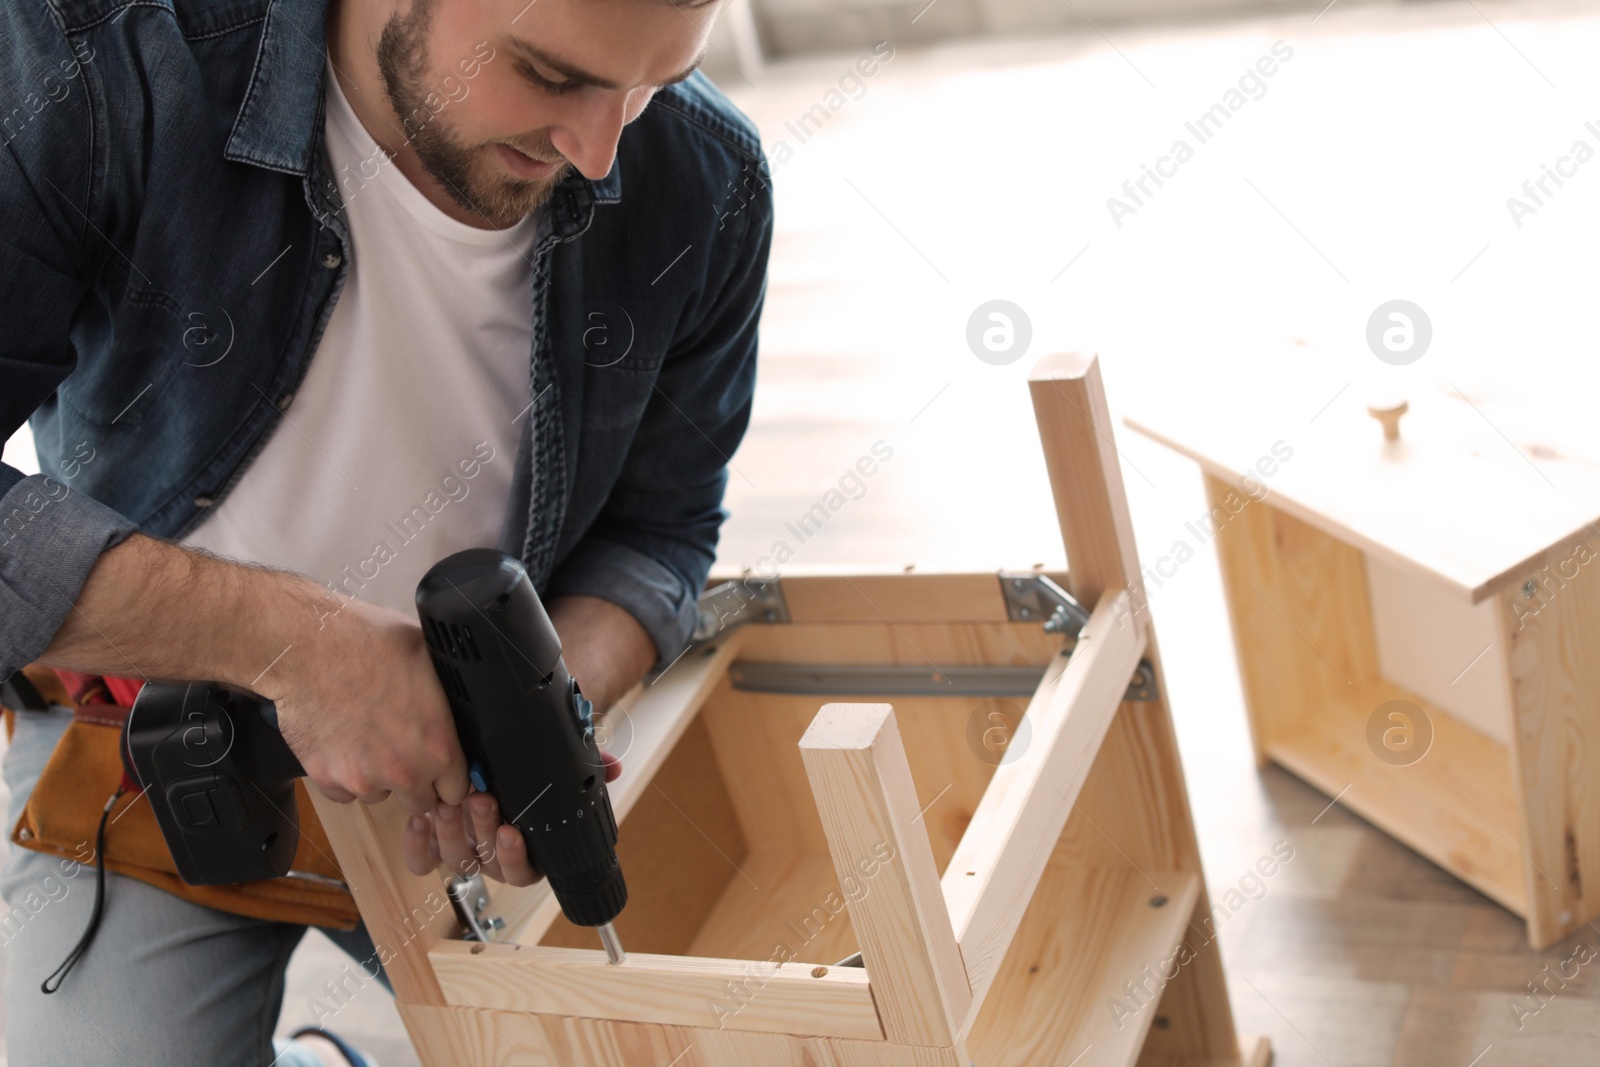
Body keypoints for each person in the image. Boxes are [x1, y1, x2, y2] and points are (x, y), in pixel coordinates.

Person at [0, 0, 772, 1059]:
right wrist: (298, 648)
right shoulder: (94, 61)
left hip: (450, 799)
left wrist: (541, 714)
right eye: (548, 75)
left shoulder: (705, 178)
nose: (599, 154)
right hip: (144, 749)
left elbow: (663, 528)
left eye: (649, 85)